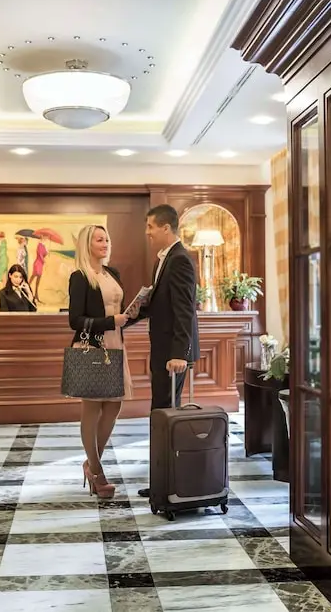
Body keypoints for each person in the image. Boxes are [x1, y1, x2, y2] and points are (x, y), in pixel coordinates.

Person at [127, 204, 200, 498]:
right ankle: (163, 478)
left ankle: (168, 481)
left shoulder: (179, 260)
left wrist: (180, 353)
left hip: (173, 355)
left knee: (166, 414)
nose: (147, 232)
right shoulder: (164, 259)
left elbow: (184, 310)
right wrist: (132, 314)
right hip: (163, 351)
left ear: (166, 228)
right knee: (161, 413)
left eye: (150, 227)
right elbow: (163, 304)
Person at [66, 224, 133, 499]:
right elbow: (75, 320)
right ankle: (96, 470)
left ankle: (91, 463)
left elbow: (119, 314)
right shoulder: (80, 276)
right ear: (87, 244)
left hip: (116, 344)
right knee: (92, 409)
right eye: (99, 239)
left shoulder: (112, 273)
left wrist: (135, 312)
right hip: (92, 347)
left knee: (114, 406)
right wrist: (109, 321)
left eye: (107, 239)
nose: (105, 243)